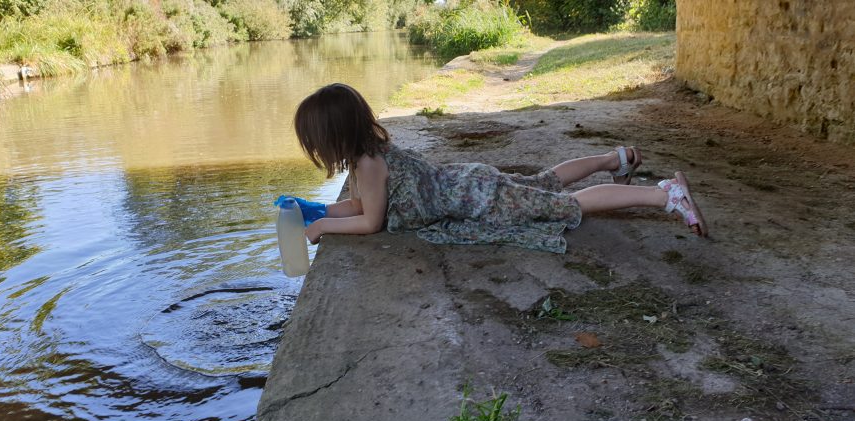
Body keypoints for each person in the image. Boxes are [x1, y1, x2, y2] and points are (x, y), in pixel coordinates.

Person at [295, 83, 707, 253]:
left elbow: (370, 222)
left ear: (334, 137)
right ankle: (614, 159)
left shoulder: (367, 165)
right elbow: (362, 207)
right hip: (472, 182)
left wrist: (323, 228)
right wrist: (313, 211)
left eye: (317, 141)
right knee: (545, 180)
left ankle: (664, 194)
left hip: (479, 198)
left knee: (564, 205)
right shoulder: (373, 150)